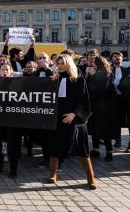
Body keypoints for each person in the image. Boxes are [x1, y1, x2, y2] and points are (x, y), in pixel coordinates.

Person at [46, 54, 96, 190]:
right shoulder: (54, 79)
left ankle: (91, 178)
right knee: (54, 147)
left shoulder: (78, 80)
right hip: (57, 119)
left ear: (69, 64)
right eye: (58, 63)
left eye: (63, 63)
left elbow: (83, 101)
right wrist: (49, 82)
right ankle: (53, 173)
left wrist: (74, 114)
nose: (60, 66)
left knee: (82, 149)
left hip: (75, 119)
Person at [0, 63, 22, 178]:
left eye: (7, 69)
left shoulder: (17, 84)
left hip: (13, 121)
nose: (5, 71)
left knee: (13, 146)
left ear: (11, 71)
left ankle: (13, 169)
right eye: (3, 70)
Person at [87, 56, 118, 161]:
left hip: (104, 108)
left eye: (94, 63)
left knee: (105, 131)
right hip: (95, 107)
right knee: (94, 129)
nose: (92, 65)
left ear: (97, 64)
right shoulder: (99, 74)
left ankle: (109, 152)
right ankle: (96, 149)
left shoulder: (107, 75)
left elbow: (97, 89)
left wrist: (92, 76)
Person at [110, 51, 130, 151]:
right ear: (112, 58)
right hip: (113, 98)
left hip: (125, 98)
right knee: (115, 119)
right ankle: (118, 139)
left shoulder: (127, 70)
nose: (117, 57)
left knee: (127, 119)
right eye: (115, 56)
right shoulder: (109, 70)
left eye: (119, 56)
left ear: (122, 58)